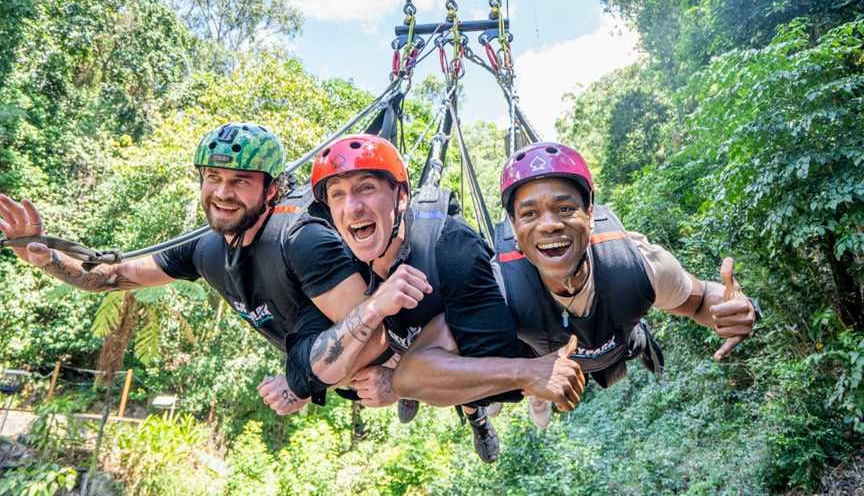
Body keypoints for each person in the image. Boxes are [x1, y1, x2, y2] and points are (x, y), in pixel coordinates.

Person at [0, 122, 383, 416]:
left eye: (240, 181)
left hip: (376, 361)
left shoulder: (301, 240)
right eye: (213, 177)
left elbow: (375, 337)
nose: (222, 192)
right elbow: (112, 276)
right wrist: (47, 258)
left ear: (271, 190)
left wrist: (302, 384)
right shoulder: (206, 246)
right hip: (326, 364)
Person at [393, 141, 760, 429]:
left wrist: (730, 309)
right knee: (524, 376)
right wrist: (527, 374)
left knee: (601, 347)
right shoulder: (497, 285)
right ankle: (536, 394)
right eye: (530, 214)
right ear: (515, 231)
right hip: (541, 354)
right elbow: (411, 374)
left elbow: (697, 300)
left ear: (590, 213)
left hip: (613, 341)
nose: (550, 225)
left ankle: (544, 383)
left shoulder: (638, 264)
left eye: (565, 209)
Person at [283, 134, 585, 463]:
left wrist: (399, 386)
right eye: (337, 195)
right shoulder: (341, 260)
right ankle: (443, 392)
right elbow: (302, 370)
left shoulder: (453, 248)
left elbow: (489, 363)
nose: (351, 207)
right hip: (409, 347)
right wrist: (373, 308)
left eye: (366, 188)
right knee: (402, 364)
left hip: (460, 332)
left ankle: (478, 418)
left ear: (401, 196)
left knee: (463, 387)